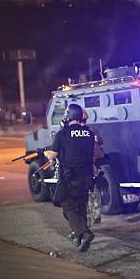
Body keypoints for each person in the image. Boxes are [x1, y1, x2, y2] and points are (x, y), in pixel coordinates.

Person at [45, 104, 95, 252]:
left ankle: (85, 233)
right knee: (81, 207)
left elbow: (52, 156)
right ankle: (79, 237)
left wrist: (46, 154)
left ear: (68, 116)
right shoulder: (89, 133)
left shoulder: (62, 133)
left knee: (67, 205)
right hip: (86, 176)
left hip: (69, 177)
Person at [81, 109, 104, 227]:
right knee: (94, 191)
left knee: (84, 195)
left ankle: (87, 221)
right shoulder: (93, 131)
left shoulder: (76, 133)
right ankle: (96, 215)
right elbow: (101, 147)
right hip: (95, 167)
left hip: (84, 168)